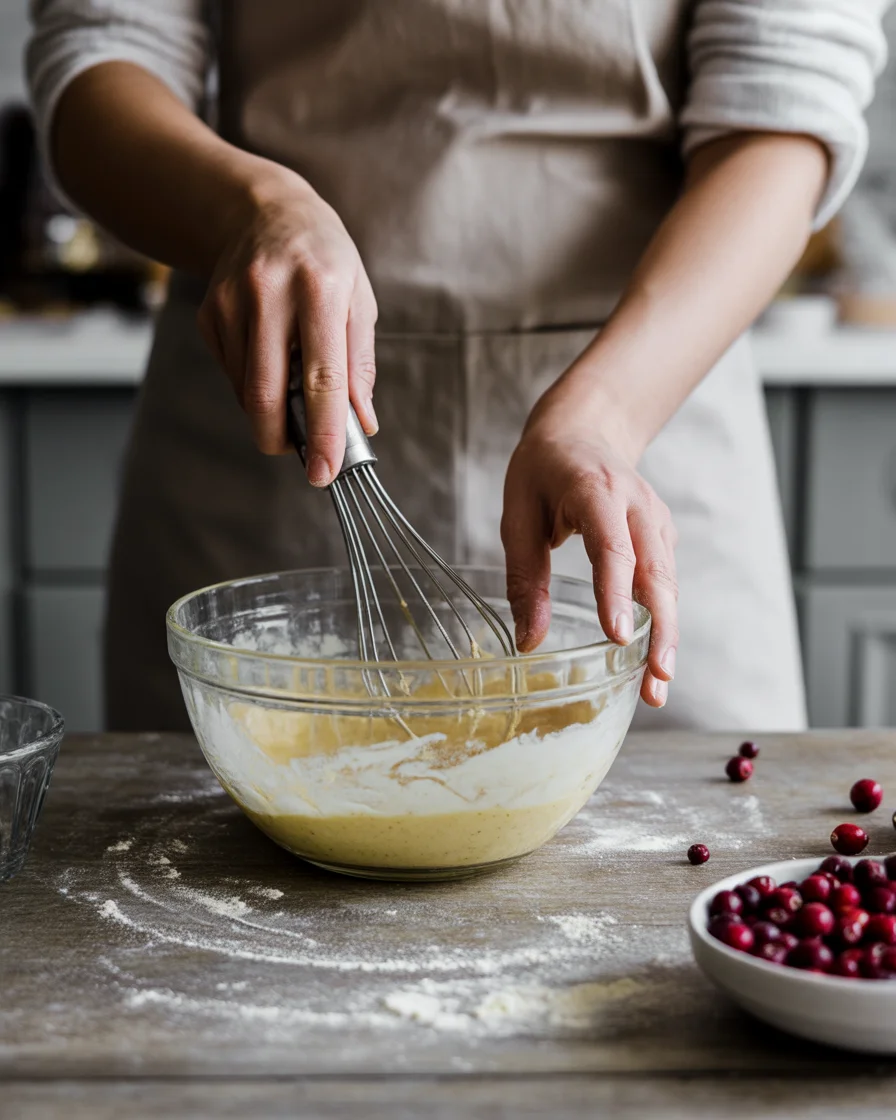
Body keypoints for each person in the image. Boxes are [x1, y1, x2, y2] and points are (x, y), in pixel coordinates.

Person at [27, 1, 890, 733]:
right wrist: (254, 209)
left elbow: (785, 111)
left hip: (641, 412)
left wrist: (602, 418)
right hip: (276, 413)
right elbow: (105, 54)